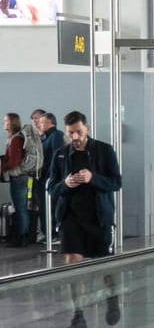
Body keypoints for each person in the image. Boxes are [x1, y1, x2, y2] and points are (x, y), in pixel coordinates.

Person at [46, 111, 121, 266]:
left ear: (87, 128)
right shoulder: (60, 155)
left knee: (102, 266)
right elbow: (52, 188)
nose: (75, 137)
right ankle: (74, 290)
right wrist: (65, 184)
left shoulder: (105, 150)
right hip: (70, 216)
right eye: (70, 133)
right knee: (72, 259)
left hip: (97, 217)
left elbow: (116, 182)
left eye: (78, 132)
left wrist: (93, 178)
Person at [1, 113, 40, 247]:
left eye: (6, 120)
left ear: (12, 122)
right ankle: (23, 236)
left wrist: (3, 168)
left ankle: (22, 237)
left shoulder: (16, 139)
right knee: (22, 207)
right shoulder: (13, 138)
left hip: (19, 177)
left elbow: (14, 161)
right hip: (22, 177)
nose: (3, 123)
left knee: (21, 208)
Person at [32, 110, 61, 244]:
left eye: (42, 122)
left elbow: (57, 156)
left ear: (50, 122)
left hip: (49, 178)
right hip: (42, 178)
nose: (39, 125)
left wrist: (52, 175)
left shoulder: (56, 136)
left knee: (50, 207)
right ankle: (47, 232)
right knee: (43, 207)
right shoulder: (45, 137)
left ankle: (53, 234)